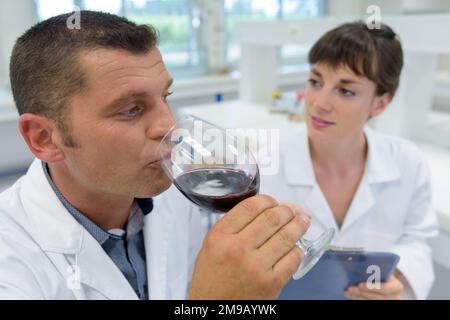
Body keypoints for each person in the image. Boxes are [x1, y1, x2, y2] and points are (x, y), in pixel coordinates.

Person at [0, 11, 311, 300]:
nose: (170, 127)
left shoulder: (170, 196)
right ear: (44, 138)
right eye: (131, 109)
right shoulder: (11, 267)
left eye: (165, 97)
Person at [261, 22, 439, 300]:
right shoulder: (267, 166)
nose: (319, 102)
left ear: (379, 104)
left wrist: (398, 285)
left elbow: (417, 243)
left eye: (345, 91)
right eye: (315, 82)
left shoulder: (407, 162)